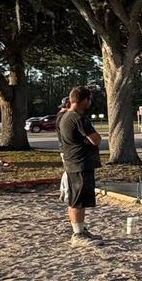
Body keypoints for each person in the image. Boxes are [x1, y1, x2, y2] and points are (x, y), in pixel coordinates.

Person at [57, 86, 102, 243]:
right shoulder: (78, 118)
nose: (90, 103)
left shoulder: (64, 116)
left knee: (77, 198)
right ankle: (78, 234)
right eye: (89, 99)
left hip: (73, 162)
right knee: (78, 200)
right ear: (84, 100)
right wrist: (90, 140)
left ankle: (80, 229)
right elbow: (96, 139)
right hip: (79, 163)